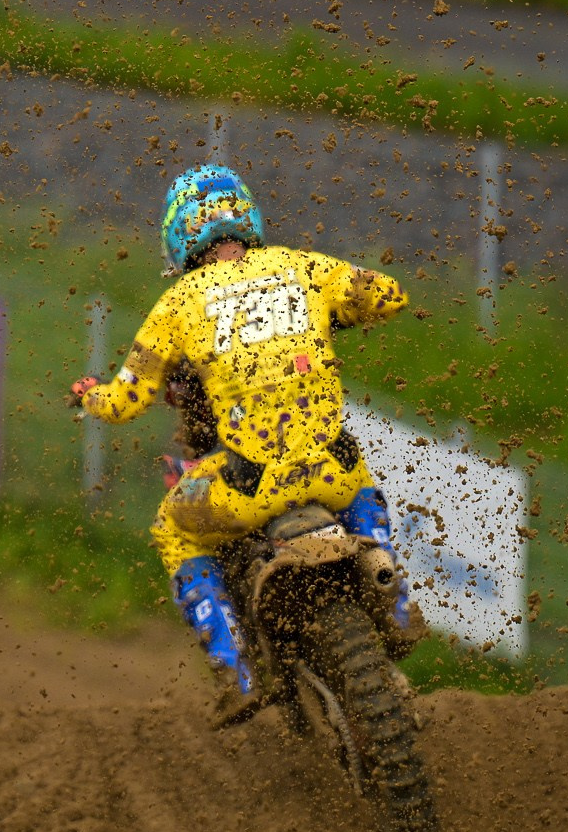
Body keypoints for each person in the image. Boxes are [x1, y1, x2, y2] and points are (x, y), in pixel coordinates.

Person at [72, 164, 426, 723]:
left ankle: (233, 668)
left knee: (172, 526)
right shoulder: (304, 265)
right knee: (360, 485)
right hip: (331, 471)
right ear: (249, 218)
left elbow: (125, 401)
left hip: (249, 485)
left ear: (178, 237)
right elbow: (389, 296)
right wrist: (337, 316)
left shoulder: (179, 303)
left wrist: (89, 395)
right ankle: (395, 596)